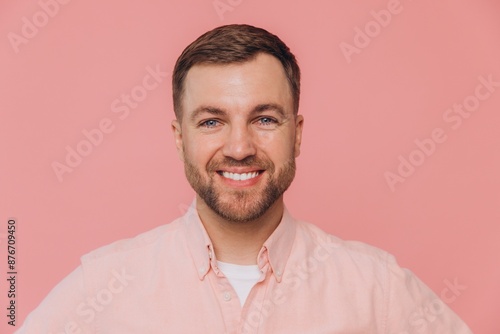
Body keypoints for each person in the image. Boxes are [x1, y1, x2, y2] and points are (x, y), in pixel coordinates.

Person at [17, 24, 472, 333]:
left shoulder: (379, 290)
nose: (239, 147)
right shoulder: (101, 287)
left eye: (266, 119)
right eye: (211, 121)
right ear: (179, 138)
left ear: (297, 135)